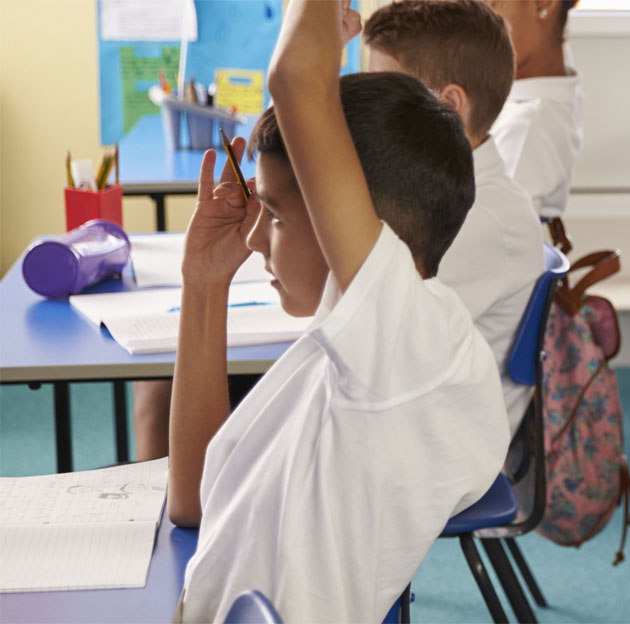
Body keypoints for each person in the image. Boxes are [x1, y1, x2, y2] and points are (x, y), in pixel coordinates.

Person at [170, 3, 508, 619]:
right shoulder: (349, 350)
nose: (253, 239)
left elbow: (297, 78)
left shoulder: (407, 343)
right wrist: (204, 284)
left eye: (273, 214)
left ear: (349, 223)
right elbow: (194, 501)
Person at [365, 0, 545, 428]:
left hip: (438, 444)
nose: (366, 112)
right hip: (416, 418)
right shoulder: (435, 190)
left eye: (383, 93)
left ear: (448, 105)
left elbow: (379, 346)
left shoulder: (480, 218)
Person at [487, 0, 585, 220]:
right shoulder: (550, 68)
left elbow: (491, 243)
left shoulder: (526, 129)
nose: (475, 23)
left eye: (491, 4)